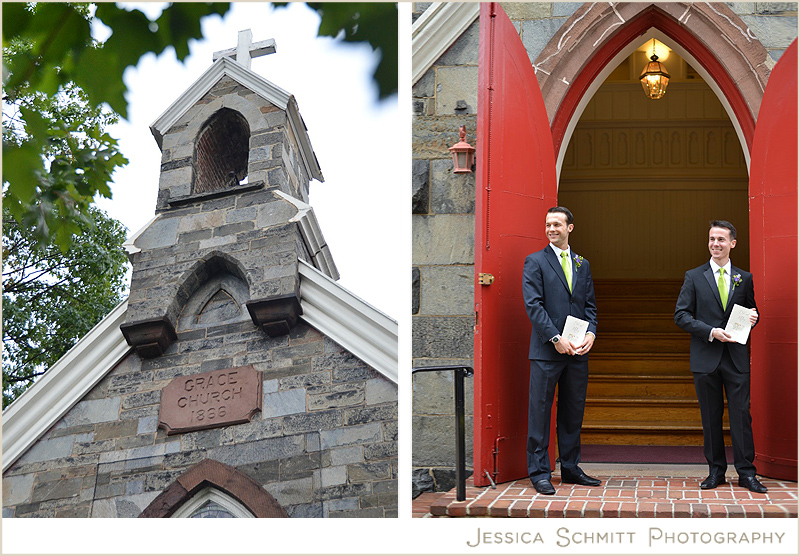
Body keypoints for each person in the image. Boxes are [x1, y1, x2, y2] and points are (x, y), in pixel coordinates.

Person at [674, 220, 765, 493]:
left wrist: (754, 317)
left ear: (732, 243)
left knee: (741, 415)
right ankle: (716, 472)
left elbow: (751, 311)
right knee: (710, 417)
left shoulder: (744, 278)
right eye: (712, 239)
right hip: (706, 357)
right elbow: (681, 316)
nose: (715, 244)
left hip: (736, 357)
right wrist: (711, 331)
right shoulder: (693, 276)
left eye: (721, 240)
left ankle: (747, 473)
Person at [521, 206, 599, 495]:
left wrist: (591, 333)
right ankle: (540, 472)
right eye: (547, 224)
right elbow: (534, 305)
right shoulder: (535, 261)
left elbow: (589, 305)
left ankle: (570, 468)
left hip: (577, 351)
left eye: (557, 224)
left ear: (570, 228)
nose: (551, 229)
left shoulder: (583, 264)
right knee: (540, 412)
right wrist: (555, 338)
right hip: (546, 351)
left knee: (572, 411)